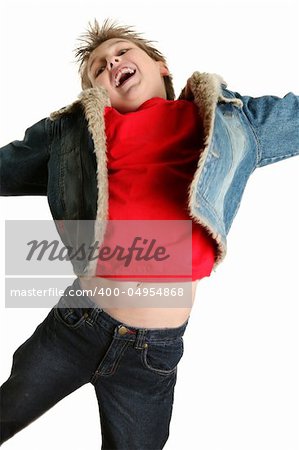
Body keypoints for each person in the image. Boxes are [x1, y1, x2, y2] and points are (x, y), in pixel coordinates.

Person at [0, 17, 298, 449]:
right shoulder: (77, 133)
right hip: (74, 327)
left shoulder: (228, 122)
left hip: (151, 357)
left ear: (160, 65)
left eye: (121, 52)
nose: (111, 62)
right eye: (98, 67)